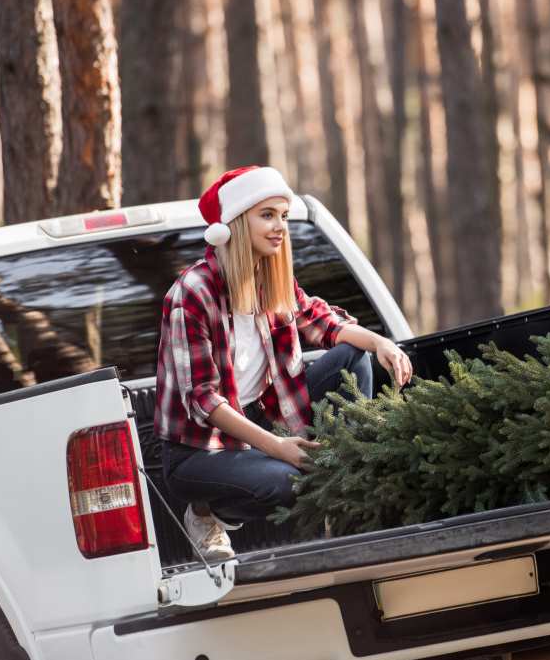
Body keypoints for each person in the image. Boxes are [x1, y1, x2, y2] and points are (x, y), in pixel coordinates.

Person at [154, 166, 413, 561]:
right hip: (198, 450)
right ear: (236, 223)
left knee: (352, 355)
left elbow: (322, 321)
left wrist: (381, 342)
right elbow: (203, 401)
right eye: (267, 215)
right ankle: (208, 512)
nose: (280, 227)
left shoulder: (269, 280)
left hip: (261, 419)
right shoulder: (192, 293)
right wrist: (278, 448)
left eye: (284, 216)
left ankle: (346, 481)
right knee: (288, 481)